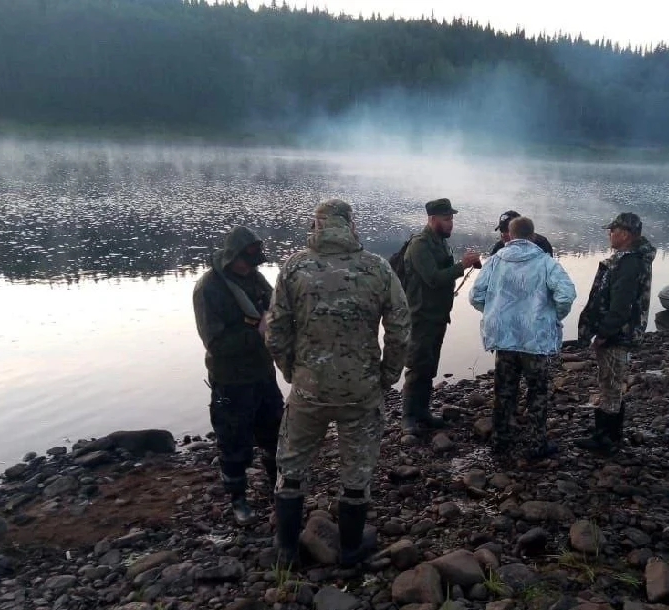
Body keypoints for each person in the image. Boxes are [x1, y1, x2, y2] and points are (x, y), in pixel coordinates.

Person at [266, 198, 411, 567]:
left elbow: (276, 331)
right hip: (361, 392)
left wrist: (292, 372)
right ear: (350, 224)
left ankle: (285, 550)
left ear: (315, 225)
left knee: (292, 467)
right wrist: (387, 377)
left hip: (308, 390)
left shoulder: (294, 268)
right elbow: (400, 331)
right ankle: (349, 549)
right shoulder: (377, 268)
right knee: (356, 472)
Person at [193, 226, 284, 526]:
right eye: (246, 262)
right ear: (232, 257)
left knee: (274, 434)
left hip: (262, 373)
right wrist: (257, 334)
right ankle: (238, 501)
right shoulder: (209, 288)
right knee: (233, 443)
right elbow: (215, 344)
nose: (250, 267)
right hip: (231, 380)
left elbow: (273, 305)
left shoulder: (254, 278)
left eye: (254, 262)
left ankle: (279, 490)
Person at [470, 216, 576, 460]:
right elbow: (566, 295)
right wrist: (552, 316)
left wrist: (495, 313)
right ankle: (537, 443)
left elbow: (476, 296)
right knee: (537, 392)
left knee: (504, 391)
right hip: (535, 341)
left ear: (509, 233)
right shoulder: (546, 262)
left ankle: (500, 440)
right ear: (533, 236)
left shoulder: (495, 261)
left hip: (504, 340)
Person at [576, 212, 657, 454]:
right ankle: (611, 434)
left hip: (617, 335)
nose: (609, 234)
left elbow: (622, 305)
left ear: (625, 234)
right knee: (610, 382)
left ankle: (606, 439)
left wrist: (603, 333)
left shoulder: (628, 263)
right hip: (619, 333)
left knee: (610, 383)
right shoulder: (628, 259)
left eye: (613, 230)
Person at [401, 198, 482, 435]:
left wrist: (464, 265)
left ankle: (423, 412)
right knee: (417, 366)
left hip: (437, 315)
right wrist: (461, 266)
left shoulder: (440, 242)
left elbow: (443, 274)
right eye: (447, 219)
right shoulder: (420, 244)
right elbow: (433, 278)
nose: (451, 224)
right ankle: (407, 419)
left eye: (452, 219)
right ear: (432, 219)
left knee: (430, 366)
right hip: (420, 316)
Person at [489, 210, 553, 257]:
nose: (503, 234)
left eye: (507, 230)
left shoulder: (541, 244)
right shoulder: (499, 247)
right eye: (502, 230)